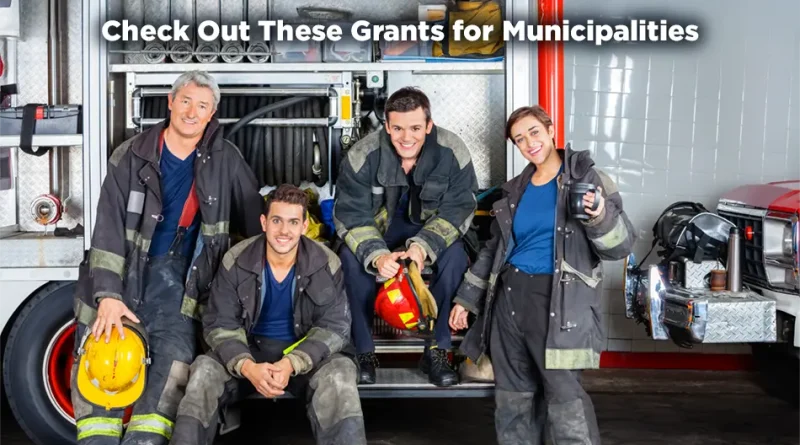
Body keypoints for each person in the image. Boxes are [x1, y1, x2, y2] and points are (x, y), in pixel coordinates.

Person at [71, 70, 264, 444]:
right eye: (186, 101)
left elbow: (255, 225)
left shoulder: (226, 158)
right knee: (101, 388)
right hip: (124, 280)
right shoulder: (131, 155)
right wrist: (108, 296)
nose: (192, 112)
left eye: (202, 106)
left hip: (183, 290)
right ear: (170, 102)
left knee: (163, 397)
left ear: (213, 114)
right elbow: (107, 229)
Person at [450, 105, 637, 445]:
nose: (529, 143)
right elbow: (494, 250)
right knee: (513, 399)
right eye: (520, 139)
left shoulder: (587, 179)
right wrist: (467, 299)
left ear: (551, 130)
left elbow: (620, 246)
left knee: (564, 398)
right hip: (508, 301)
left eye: (534, 132)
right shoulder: (514, 191)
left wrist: (598, 216)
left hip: (557, 301)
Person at [169, 184, 366, 445]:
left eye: (293, 222)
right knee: (204, 371)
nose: (284, 231)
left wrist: (291, 363)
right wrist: (247, 366)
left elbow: (335, 327)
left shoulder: (326, 262)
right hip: (247, 352)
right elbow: (219, 324)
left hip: (304, 356)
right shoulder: (236, 260)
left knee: (340, 373)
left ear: (304, 226)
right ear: (264, 222)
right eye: (277, 220)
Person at [334, 87, 478, 386]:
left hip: (430, 229)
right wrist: (377, 255)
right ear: (387, 126)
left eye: (415, 128)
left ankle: (436, 351)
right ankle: (363, 352)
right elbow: (350, 214)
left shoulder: (453, 151)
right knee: (350, 259)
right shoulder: (362, 155)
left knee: (454, 258)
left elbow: (459, 209)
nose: (406, 137)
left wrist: (423, 246)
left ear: (429, 125)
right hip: (380, 231)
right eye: (397, 128)